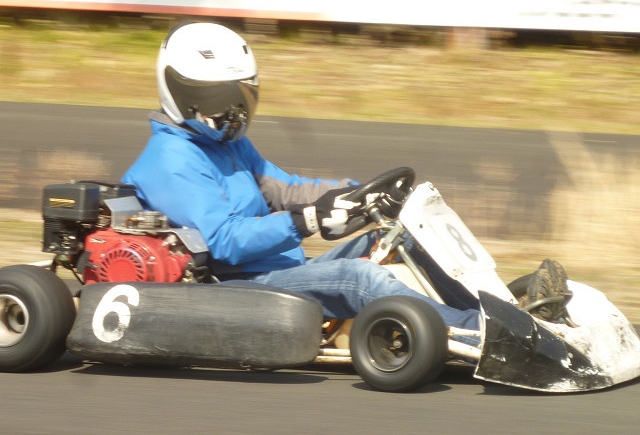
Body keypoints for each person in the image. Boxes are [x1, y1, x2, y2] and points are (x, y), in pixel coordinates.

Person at [121, 22, 565, 340]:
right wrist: (309, 221)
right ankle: (488, 334)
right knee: (359, 277)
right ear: (182, 93)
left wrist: (355, 195)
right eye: (220, 99)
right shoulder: (170, 161)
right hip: (233, 287)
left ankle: (501, 311)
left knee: (402, 238)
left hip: (279, 271)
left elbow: (285, 190)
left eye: (239, 98)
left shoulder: (224, 144)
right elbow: (225, 242)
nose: (233, 113)